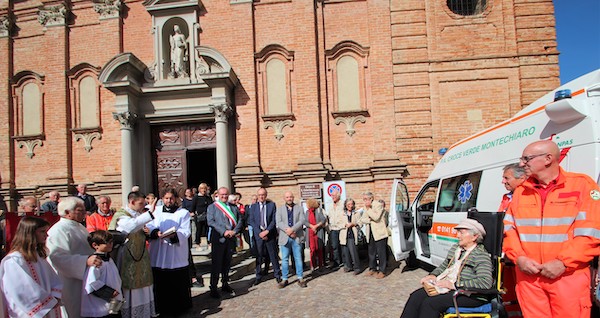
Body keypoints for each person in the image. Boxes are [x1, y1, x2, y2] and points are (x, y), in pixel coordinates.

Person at [503, 140, 600, 317]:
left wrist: (563, 263)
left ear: (548, 158)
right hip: (529, 277)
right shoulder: (521, 191)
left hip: (567, 276)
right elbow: (509, 230)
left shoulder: (582, 185)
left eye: (527, 158)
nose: (522, 164)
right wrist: (519, 259)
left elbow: (591, 233)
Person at [400, 218, 493, 318]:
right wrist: (432, 275)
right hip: (451, 289)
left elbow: (485, 282)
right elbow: (444, 266)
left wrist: (453, 285)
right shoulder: (456, 249)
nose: (457, 236)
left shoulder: (480, 255)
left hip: (471, 295)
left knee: (430, 303)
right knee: (416, 297)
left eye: (461, 233)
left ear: (474, 237)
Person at [47, 196, 102, 318]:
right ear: (67, 212)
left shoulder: (79, 227)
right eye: (80, 210)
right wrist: (84, 261)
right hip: (69, 281)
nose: (84, 213)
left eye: (84, 210)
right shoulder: (58, 230)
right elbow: (57, 257)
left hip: (83, 277)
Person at [0, 217, 63, 317]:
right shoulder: (14, 260)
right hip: (29, 312)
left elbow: (53, 279)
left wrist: (55, 296)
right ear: (30, 233)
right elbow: (21, 288)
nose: (46, 235)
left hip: (49, 307)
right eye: (42, 231)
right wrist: (47, 302)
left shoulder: (38, 256)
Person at [109, 191, 156, 318]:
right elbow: (130, 226)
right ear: (132, 202)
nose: (142, 206)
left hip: (140, 255)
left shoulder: (138, 214)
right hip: (127, 257)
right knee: (130, 285)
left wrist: (147, 231)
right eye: (140, 203)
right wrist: (149, 214)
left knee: (144, 283)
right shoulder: (121, 215)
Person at [147, 188, 192, 316]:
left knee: (176, 283)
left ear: (176, 199)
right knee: (160, 283)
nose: (169, 201)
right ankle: (160, 306)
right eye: (166, 198)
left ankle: (179, 307)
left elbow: (185, 231)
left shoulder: (183, 213)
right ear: (162, 199)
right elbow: (149, 225)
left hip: (175, 252)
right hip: (159, 251)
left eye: (171, 198)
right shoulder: (155, 212)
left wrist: (174, 235)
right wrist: (155, 232)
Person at [207, 187, 243, 298]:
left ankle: (225, 283)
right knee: (216, 264)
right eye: (222, 194)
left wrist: (234, 231)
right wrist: (224, 232)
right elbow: (210, 222)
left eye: (226, 195)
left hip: (231, 239)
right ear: (218, 194)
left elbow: (240, 220)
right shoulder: (212, 207)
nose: (224, 196)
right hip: (219, 239)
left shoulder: (233, 207)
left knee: (227, 263)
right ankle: (213, 287)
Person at [81, 230, 123, 318]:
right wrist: (109, 292)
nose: (110, 244)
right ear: (95, 245)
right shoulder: (96, 262)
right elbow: (92, 282)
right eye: (107, 242)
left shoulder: (109, 259)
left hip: (111, 302)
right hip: (100, 304)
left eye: (111, 242)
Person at [248, 187, 281, 286]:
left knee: (273, 255)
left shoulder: (271, 205)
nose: (261, 197)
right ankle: (258, 276)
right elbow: (251, 221)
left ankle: (277, 275)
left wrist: (266, 231)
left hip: (269, 234)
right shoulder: (253, 207)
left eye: (263, 195)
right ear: (257, 196)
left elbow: (274, 220)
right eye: (259, 195)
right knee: (259, 256)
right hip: (258, 235)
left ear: (266, 196)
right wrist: (260, 233)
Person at [276, 191, 307, 288]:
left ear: (293, 198)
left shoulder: (299, 208)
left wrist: (292, 230)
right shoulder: (280, 209)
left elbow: (302, 220)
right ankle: (284, 278)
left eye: (291, 197)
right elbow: (279, 222)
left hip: (296, 236)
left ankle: (300, 277)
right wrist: (287, 230)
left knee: (298, 258)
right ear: (284, 198)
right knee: (285, 259)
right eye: (287, 197)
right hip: (285, 237)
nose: (289, 198)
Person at [358, 192, 388, 279]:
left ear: (371, 198)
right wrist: (370, 219)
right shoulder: (366, 207)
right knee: (371, 251)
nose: (364, 201)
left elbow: (376, 217)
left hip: (379, 232)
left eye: (365, 199)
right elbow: (363, 219)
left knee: (381, 252)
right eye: (363, 199)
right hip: (370, 231)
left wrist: (369, 211)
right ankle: (372, 268)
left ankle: (382, 270)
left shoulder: (378, 205)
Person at [340, 198, 361, 274]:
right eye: (348, 204)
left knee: (353, 252)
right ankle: (349, 266)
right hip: (344, 234)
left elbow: (360, 222)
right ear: (345, 205)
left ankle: (357, 267)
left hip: (352, 234)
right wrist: (345, 224)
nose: (350, 206)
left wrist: (353, 224)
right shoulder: (342, 213)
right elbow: (338, 224)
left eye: (351, 204)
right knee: (346, 252)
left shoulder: (356, 213)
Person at [305, 198, 327, 271]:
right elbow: (305, 222)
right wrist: (311, 226)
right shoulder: (307, 212)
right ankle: (313, 265)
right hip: (310, 233)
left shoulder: (319, 211)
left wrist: (316, 226)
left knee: (319, 249)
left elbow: (323, 219)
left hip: (318, 231)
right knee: (312, 249)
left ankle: (320, 264)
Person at [325, 190, 344, 268]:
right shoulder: (330, 205)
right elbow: (328, 216)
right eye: (332, 196)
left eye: (335, 195)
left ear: (339, 196)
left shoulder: (343, 204)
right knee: (334, 246)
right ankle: (337, 262)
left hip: (341, 227)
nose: (333, 197)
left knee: (343, 245)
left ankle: (345, 261)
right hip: (333, 228)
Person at [192, 183, 213, 249]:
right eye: (202, 188)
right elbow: (193, 207)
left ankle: (209, 243)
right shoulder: (196, 197)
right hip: (199, 216)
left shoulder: (208, 197)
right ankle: (198, 243)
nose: (203, 190)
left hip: (207, 216)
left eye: (205, 189)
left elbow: (211, 205)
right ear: (199, 189)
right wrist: (194, 212)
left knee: (208, 230)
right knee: (199, 230)